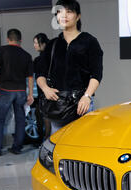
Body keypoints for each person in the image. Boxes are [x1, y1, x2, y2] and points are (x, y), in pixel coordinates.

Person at [37, 0, 103, 134]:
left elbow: (96, 74)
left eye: (69, 11)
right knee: (57, 144)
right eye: (60, 12)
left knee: (82, 143)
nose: (64, 16)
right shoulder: (52, 44)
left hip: (82, 103)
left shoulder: (89, 41)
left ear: (78, 16)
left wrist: (87, 96)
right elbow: (40, 73)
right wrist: (45, 89)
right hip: (58, 105)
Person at [0, 29, 34, 156]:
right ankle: (17, 148)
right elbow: (30, 77)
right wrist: (30, 94)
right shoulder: (27, 55)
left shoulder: (2, 50)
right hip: (21, 92)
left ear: (8, 39)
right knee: (20, 119)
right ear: (20, 40)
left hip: (6, 91)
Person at [33, 33, 51, 143]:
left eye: (36, 43)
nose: (34, 45)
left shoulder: (39, 60)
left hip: (43, 92)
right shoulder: (53, 57)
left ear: (43, 44)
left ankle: (44, 140)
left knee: (43, 117)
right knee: (48, 118)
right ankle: (47, 139)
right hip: (53, 91)